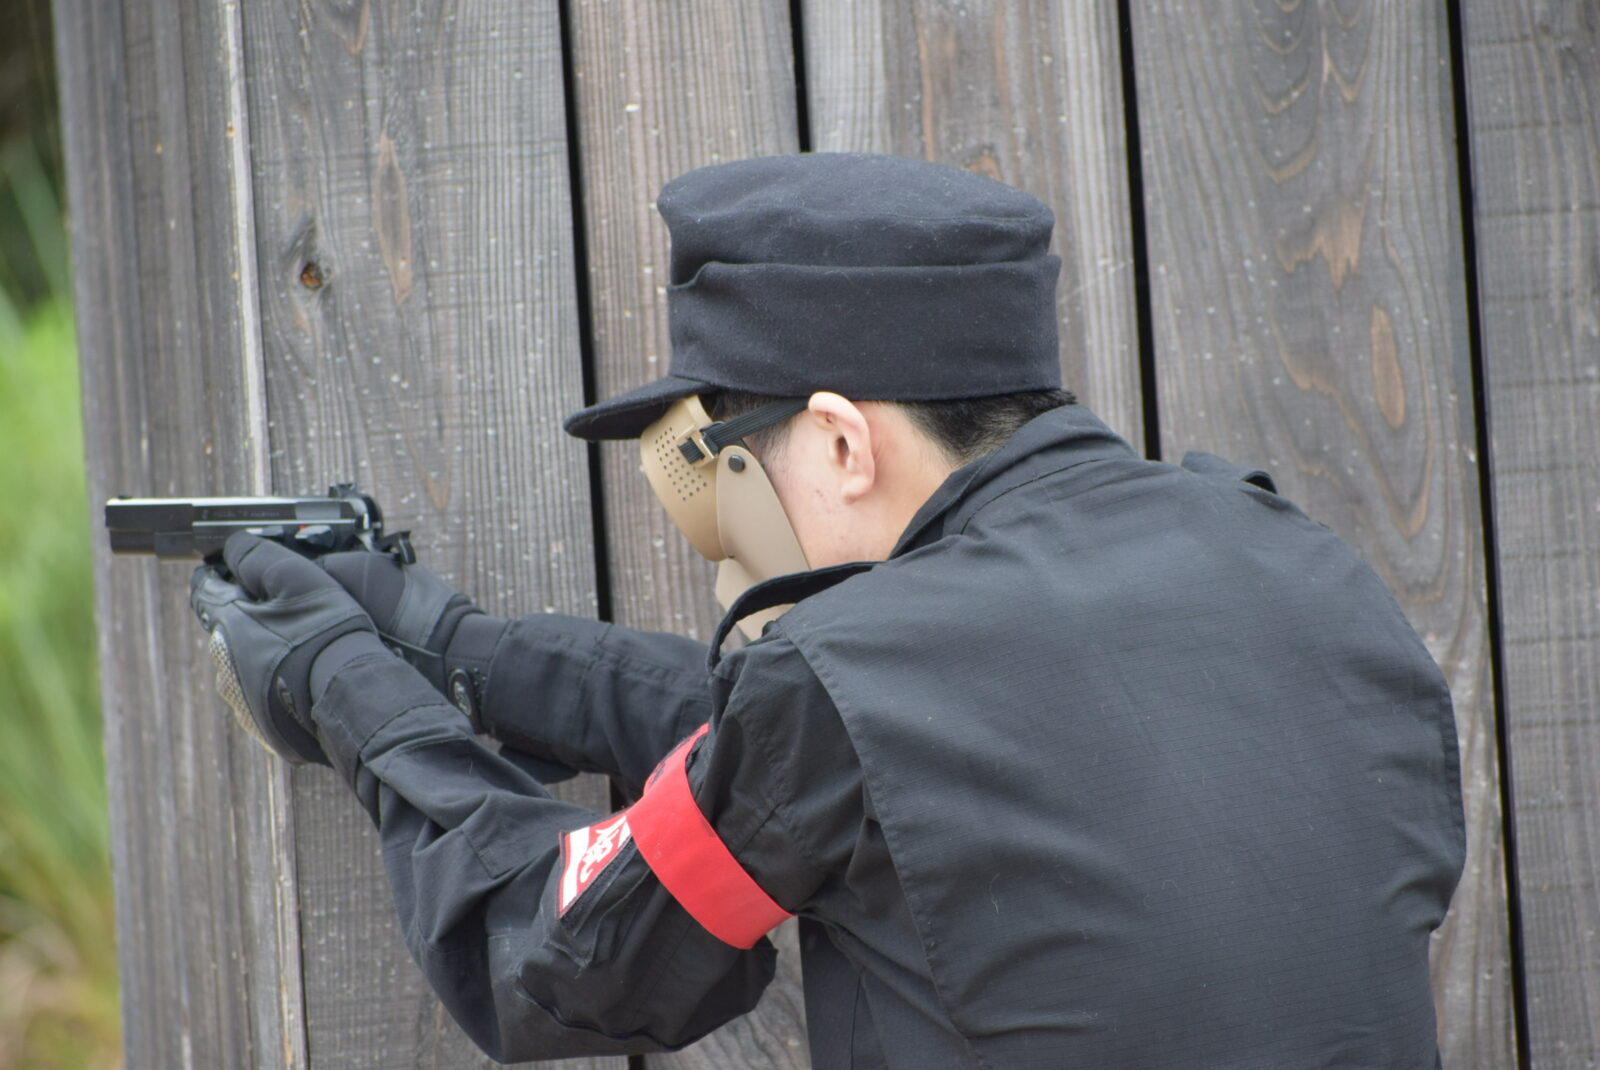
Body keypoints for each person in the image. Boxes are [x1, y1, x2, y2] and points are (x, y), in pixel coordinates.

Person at [189, 153, 1465, 1068]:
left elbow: (559, 958)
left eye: (716, 460)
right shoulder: (1301, 570)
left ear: (845, 442)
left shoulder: (862, 675)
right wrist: (461, 651)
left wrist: (342, 683)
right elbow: (860, 754)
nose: (712, 509)